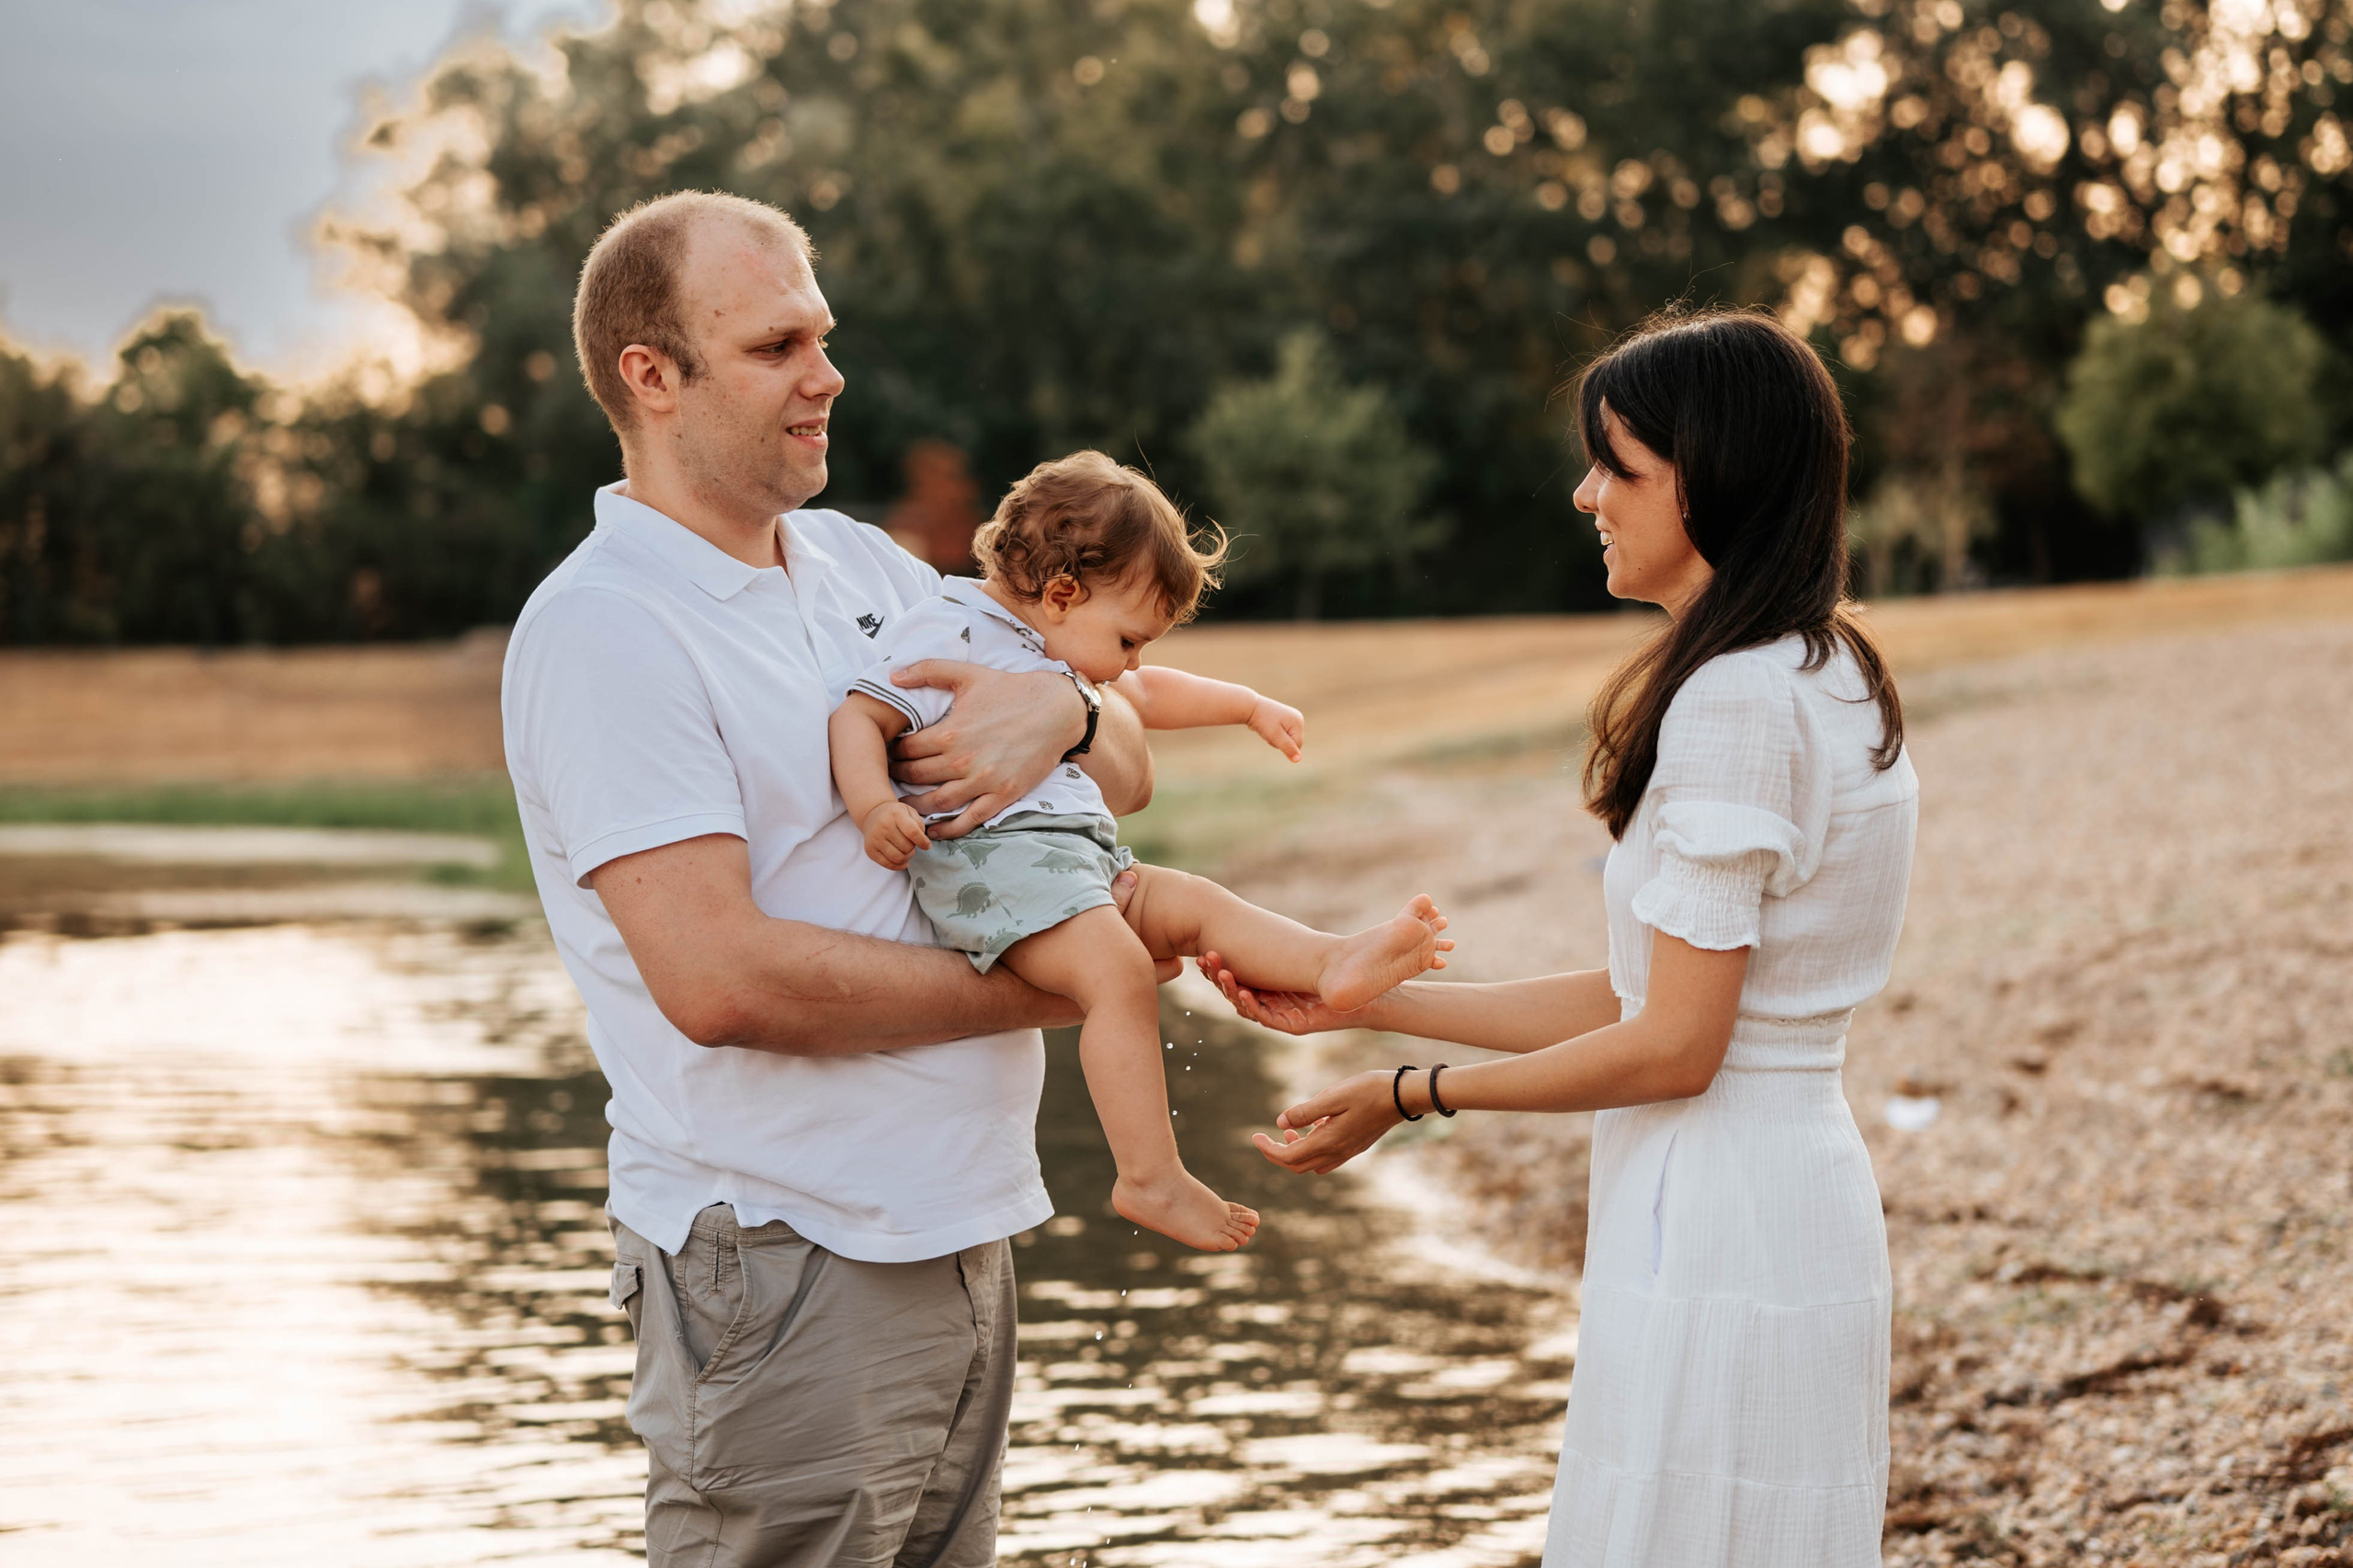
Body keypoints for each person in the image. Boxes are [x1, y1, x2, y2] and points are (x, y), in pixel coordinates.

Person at [502, 190, 1159, 1567]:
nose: (829, 374)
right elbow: (720, 980)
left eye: (826, 335)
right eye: (779, 344)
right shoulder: (608, 628)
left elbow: (1106, 715)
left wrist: (1075, 718)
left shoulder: (863, 562)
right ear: (652, 376)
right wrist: (1078, 982)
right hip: (786, 1256)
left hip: (961, 1226)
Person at [1206, 308, 1918, 1567]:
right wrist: (1363, 999)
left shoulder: (1739, 699)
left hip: (1726, 1210)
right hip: (1757, 1190)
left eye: (1621, 466)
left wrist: (1410, 1094)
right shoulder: (1822, 665)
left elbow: (1678, 1046)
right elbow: (1642, 993)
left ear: (1720, 482)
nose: (1585, 492)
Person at [830, 449, 1455, 1255]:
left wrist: (1249, 706)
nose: (1133, 663)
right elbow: (858, 717)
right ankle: (1147, 1176)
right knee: (1120, 974)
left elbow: (1146, 697)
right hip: (990, 867)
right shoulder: (945, 630)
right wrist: (875, 805)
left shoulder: (1053, 641)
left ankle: (1328, 962)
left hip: (1070, 859)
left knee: (1193, 903)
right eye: (1129, 639)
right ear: (1062, 593)